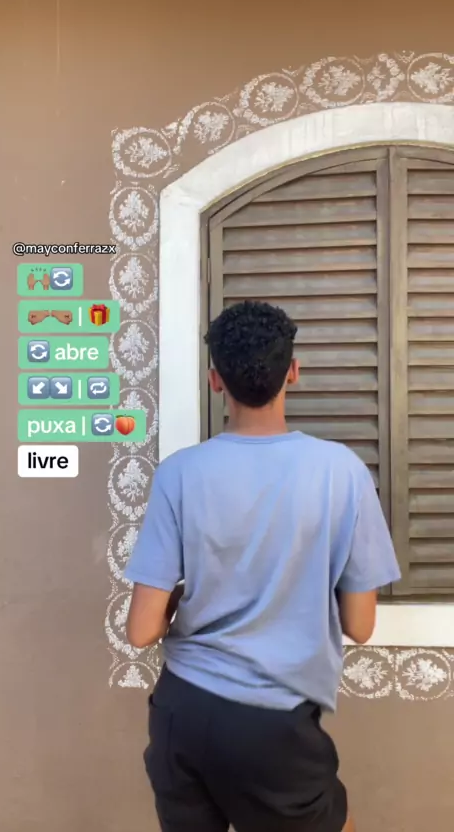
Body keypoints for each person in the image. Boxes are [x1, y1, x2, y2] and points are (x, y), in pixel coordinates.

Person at [124, 299, 401, 832]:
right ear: (292, 372)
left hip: (182, 713)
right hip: (274, 726)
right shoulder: (342, 472)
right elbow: (360, 625)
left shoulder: (178, 473)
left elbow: (141, 631)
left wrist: (183, 597)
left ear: (215, 380)